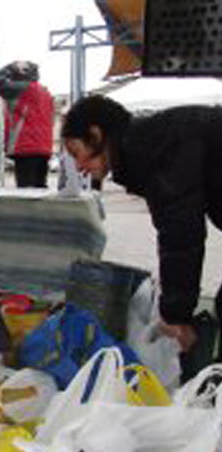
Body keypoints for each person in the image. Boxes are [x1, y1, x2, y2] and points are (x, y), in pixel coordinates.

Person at [61, 94, 222, 352]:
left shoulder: (157, 150)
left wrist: (175, 316)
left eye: (76, 152)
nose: (78, 166)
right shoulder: (149, 142)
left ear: (96, 134)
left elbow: (181, 237)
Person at [0, 61, 54, 188]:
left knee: (26, 192)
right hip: (44, 147)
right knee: (39, 189)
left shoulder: (21, 89)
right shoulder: (46, 92)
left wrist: (11, 67)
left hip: (26, 146)